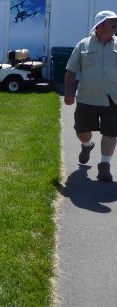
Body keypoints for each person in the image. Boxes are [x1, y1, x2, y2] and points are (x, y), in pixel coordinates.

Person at [64, 10, 117, 182]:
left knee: (111, 133)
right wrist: (69, 93)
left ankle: (104, 166)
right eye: (112, 22)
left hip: (113, 99)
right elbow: (71, 70)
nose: (115, 25)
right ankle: (87, 145)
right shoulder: (83, 45)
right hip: (87, 97)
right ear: (100, 24)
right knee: (81, 131)